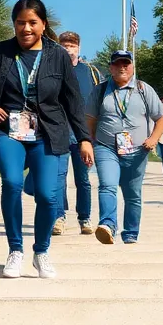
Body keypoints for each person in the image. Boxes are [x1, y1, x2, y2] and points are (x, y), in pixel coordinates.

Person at [0, 0, 92, 280]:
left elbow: (73, 100)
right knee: (11, 182)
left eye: (32, 23)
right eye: (20, 22)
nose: (26, 28)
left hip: (47, 132)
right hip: (7, 130)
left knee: (48, 196)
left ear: (43, 24)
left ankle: (41, 251)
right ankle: (15, 250)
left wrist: (84, 138)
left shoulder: (58, 55)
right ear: (14, 24)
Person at [86, 50, 163, 245]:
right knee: (107, 185)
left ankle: (131, 231)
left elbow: (162, 117)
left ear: (132, 67)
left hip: (138, 150)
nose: (122, 67)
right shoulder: (100, 90)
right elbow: (89, 119)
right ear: (111, 68)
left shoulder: (143, 89)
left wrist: (153, 138)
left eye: (126, 63)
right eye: (117, 64)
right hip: (106, 147)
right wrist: (90, 141)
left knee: (133, 194)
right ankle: (107, 224)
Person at [48, 31, 102, 235]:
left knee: (83, 179)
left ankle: (84, 218)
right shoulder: (51, 69)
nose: (68, 48)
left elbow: (100, 101)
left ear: (79, 48)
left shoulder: (91, 72)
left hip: (84, 136)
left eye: (72, 45)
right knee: (58, 178)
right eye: (64, 44)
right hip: (58, 132)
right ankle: (59, 217)